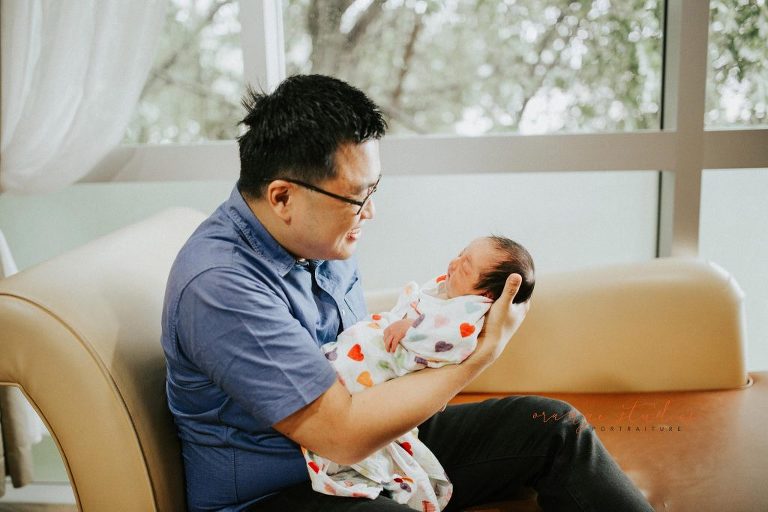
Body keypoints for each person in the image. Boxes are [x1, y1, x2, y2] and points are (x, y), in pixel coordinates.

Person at [161, 74, 654, 511]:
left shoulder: (319, 240)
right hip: (282, 488)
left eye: (375, 189)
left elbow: (366, 364)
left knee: (553, 427)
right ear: (283, 197)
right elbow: (342, 435)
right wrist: (482, 354)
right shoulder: (222, 286)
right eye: (358, 196)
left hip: (372, 445)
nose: (370, 212)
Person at [303, 236, 535, 511]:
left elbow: (450, 340)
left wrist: (410, 328)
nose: (453, 264)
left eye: (465, 267)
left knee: (556, 423)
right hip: (349, 393)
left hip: (373, 379)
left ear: (486, 296)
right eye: (460, 255)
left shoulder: (470, 311)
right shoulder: (451, 292)